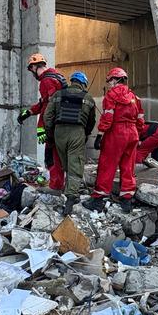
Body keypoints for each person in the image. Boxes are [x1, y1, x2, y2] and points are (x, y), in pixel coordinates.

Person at [85, 68, 146, 213]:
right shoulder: (135, 97)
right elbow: (140, 119)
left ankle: (98, 200)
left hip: (116, 133)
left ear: (115, 79)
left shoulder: (111, 96)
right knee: (128, 167)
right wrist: (138, 134)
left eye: (110, 80)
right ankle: (126, 200)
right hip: (132, 134)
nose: (110, 83)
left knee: (107, 165)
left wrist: (100, 135)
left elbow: (108, 117)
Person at [44, 71, 97, 212]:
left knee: (66, 163)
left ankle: (69, 189)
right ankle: (71, 197)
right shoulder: (88, 98)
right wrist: (85, 134)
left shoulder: (57, 95)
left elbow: (47, 116)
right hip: (77, 132)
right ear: (83, 83)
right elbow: (91, 121)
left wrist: (50, 135)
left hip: (59, 132)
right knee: (75, 164)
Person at [18, 53, 67, 191]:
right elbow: (44, 103)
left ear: (34, 66)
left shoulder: (46, 81)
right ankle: (58, 184)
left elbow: (48, 107)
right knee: (56, 155)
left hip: (53, 125)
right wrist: (28, 113)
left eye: (31, 68)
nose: (32, 72)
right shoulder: (56, 77)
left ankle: (55, 186)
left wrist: (41, 128)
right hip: (60, 122)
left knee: (52, 155)